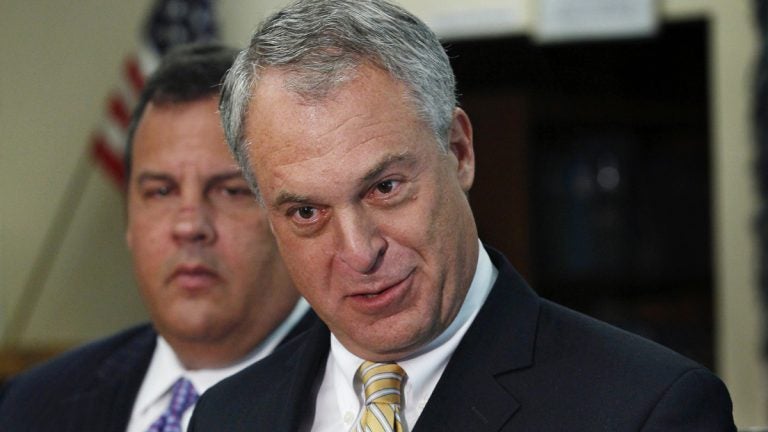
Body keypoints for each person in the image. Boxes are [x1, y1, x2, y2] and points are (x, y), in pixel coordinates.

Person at [189, 1, 736, 430]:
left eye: (385, 187)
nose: (358, 251)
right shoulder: (225, 416)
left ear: (459, 151)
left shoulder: (648, 409)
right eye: (306, 211)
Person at [0, 43, 314, 432]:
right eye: (161, 192)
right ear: (129, 221)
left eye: (230, 190)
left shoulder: (364, 397)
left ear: (294, 214)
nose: (189, 226)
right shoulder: (31, 404)